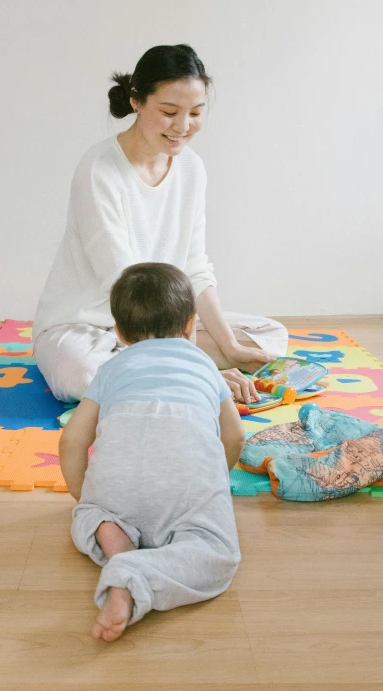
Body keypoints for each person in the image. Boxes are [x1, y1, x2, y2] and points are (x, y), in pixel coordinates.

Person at [34, 44, 288, 404]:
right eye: (169, 112)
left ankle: (148, 371)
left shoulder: (191, 168)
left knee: (269, 336)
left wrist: (230, 347)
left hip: (165, 318)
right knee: (80, 375)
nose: (182, 127)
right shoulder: (98, 171)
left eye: (196, 113)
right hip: (89, 323)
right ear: (137, 101)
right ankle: (173, 370)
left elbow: (194, 267)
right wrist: (195, 365)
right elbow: (125, 284)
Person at [59, 263, 245, 641]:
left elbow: (72, 441)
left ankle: (109, 529)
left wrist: (87, 498)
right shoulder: (206, 365)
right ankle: (137, 575)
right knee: (217, 554)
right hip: (187, 486)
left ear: (120, 333)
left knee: (89, 513)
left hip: (117, 486)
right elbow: (235, 437)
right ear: (192, 325)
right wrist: (211, 481)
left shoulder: (112, 367)